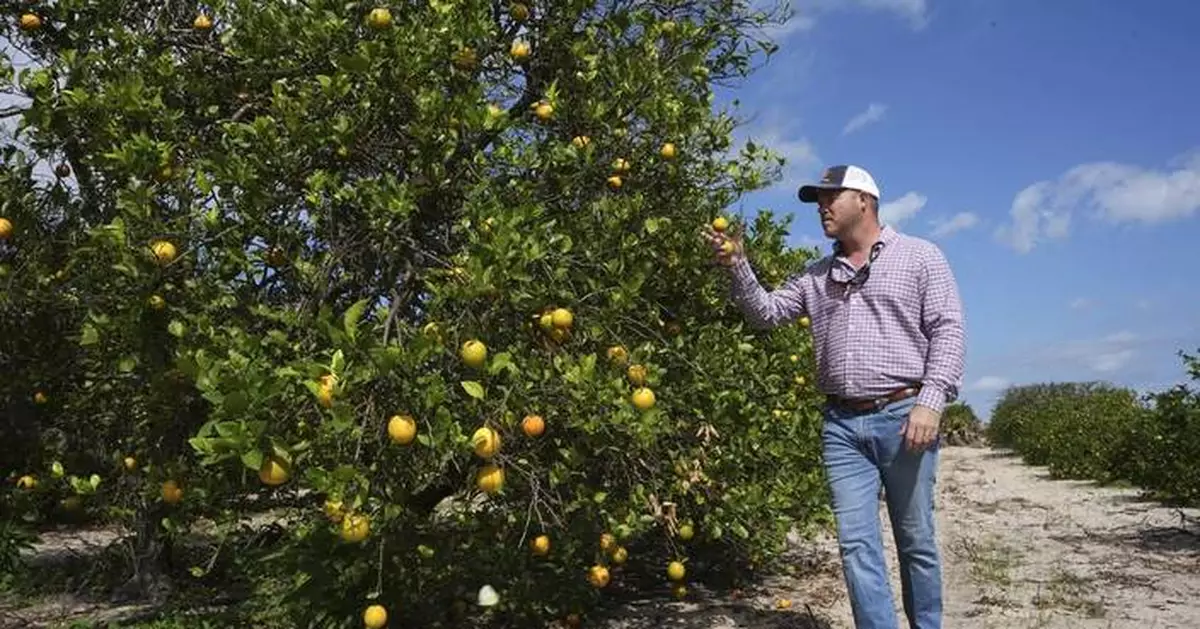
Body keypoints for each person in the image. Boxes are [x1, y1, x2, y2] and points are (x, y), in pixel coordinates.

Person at [702, 164, 966, 629]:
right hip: (841, 428)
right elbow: (766, 313)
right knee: (856, 545)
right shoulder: (816, 276)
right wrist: (738, 265)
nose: (822, 207)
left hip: (906, 415)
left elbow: (947, 330)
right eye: (818, 200)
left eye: (831, 197)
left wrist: (931, 401)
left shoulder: (921, 257)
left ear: (864, 200)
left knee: (915, 539)